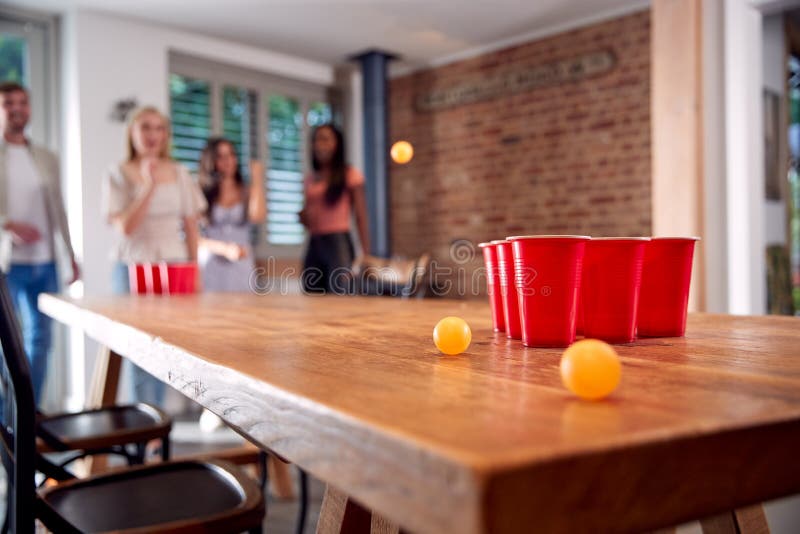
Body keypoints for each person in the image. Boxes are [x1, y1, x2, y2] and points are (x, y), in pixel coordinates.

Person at [102, 106, 205, 406]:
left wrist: (194, 269)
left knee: (169, 349)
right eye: (145, 127)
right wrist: (148, 186)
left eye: (159, 128)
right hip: (132, 266)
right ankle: (145, 430)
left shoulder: (181, 173)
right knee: (139, 349)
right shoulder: (117, 173)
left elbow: (191, 225)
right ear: (132, 133)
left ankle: (158, 425)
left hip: (174, 266)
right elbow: (125, 226)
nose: (152, 135)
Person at [0, 81, 79, 406]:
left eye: (23, 102)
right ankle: (8, 419)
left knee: (41, 340)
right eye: (8, 103)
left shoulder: (47, 157)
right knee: (9, 344)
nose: (17, 108)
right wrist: (7, 224)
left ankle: (29, 411)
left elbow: (59, 208)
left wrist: (71, 255)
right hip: (8, 263)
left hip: (45, 261)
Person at [299, 124, 369, 294]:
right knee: (311, 294)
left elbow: (361, 215)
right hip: (314, 243)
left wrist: (366, 254)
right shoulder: (311, 179)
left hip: (338, 244)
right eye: (316, 140)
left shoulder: (350, 174)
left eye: (325, 139)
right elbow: (309, 220)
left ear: (337, 144)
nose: (319, 144)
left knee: (340, 295)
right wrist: (303, 218)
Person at [198, 137, 266, 292]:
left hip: (241, 264)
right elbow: (194, 237)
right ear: (211, 161)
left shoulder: (246, 191)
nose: (227, 161)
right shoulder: (202, 192)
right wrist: (224, 249)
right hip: (212, 263)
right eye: (221, 157)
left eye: (231, 155)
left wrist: (256, 179)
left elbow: (257, 216)